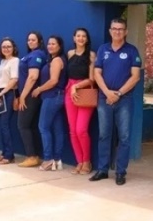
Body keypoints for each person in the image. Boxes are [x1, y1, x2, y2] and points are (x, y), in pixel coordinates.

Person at [91, 18, 141, 185]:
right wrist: (107, 93)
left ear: (125, 32)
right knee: (104, 135)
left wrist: (118, 93)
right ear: (110, 31)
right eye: (114, 28)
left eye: (121, 29)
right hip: (104, 99)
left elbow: (136, 77)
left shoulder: (132, 51)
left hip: (124, 99)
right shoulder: (103, 49)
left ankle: (120, 172)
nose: (117, 31)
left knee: (124, 137)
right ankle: (103, 170)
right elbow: (97, 73)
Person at [32, 35, 68, 171]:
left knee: (43, 127)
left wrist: (39, 89)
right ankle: (57, 160)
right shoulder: (54, 60)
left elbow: (53, 81)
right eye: (49, 43)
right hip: (57, 97)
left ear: (59, 46)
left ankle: (48, 159)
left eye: (53, 44)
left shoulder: (57, 60)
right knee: (57, 129)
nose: (50, 46)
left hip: (52, 96)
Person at [65, 28, 96, 174]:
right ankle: (79, 161)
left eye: (84, 36)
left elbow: (92, 79)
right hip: (69, 92)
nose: (81, 38)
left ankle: (87, 161)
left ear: (87, 39)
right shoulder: (70, 54)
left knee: (81, 130)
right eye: (78, 36)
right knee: (72, 131)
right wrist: (71, 87)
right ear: (74, 38)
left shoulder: (91, 55)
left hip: (83, 91)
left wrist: (76, 86)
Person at [17, 31, 45, 168]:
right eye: (29, 39)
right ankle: (36, 156)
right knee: (31, 126)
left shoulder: (37, 55)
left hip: (29, 96)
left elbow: (33, 76)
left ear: (39, 41)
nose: (30, 42)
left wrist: (23, 96)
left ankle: (31, 156)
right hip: (28, 95)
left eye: (33, 39)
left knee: (23, 125)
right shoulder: (29, 55)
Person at [0, 37, 19, 165]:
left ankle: (9, 155)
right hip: (0, 93)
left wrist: (3, 93)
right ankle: (5, 152)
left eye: (9, 46)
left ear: (13, 48)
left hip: (8, 93)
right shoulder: (3, 61)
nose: (6, 49)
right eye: (4, 47)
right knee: (3, 125)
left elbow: (14, 79)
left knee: (5, 125)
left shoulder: (15, 61)